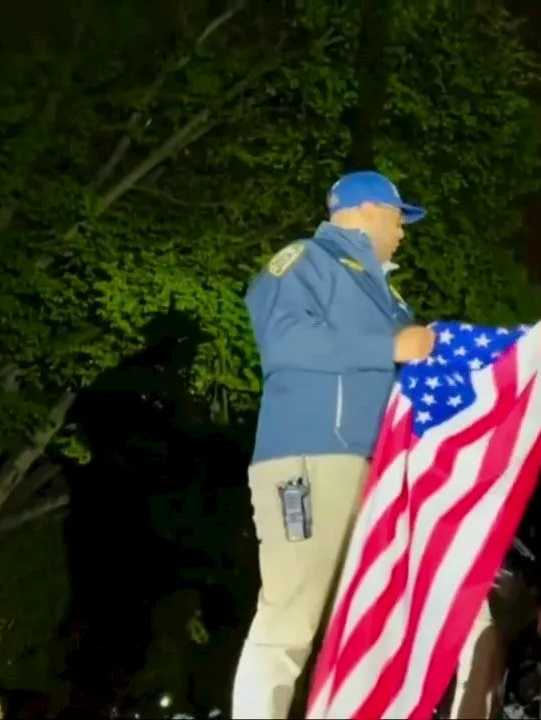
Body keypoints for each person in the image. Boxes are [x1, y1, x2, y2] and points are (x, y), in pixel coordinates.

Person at [232, 171, 437, 719]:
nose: (403, 231)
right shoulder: (305, 261)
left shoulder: (384, 291)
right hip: (309, 456)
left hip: (370, 466)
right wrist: (389, 343)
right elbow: (283, 337)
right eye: (400, 216)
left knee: (361, 620)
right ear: (367, 208)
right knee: (289, 620)